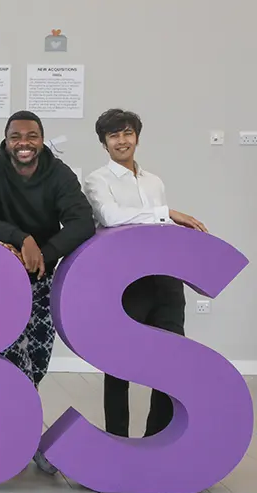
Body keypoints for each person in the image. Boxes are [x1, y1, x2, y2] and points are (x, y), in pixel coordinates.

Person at [0, 110, 95, 473]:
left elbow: (82, 220)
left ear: (41, 139)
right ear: (6, 140)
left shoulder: (58, 173)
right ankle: (9, 437)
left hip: (39, 279)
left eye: (32, 136)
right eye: (16, 136)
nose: (24, 142)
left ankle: (20, 436)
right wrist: (21, 239)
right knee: (1, 363)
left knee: (34, 363)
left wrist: (44, 254)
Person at [82, 108, 206, 439]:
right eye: (114, 136)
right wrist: (166, 212)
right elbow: (111, 217)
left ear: (137, 136)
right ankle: (117, 439)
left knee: (171, 362)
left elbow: (158, 232)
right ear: (104, 143)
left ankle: (157, 439)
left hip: (165, 280)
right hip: (125, 283)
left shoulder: (154, 182)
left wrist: (164, 217)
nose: (122, 141)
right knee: (118, 363)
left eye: (127, 133)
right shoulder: (97, 180)